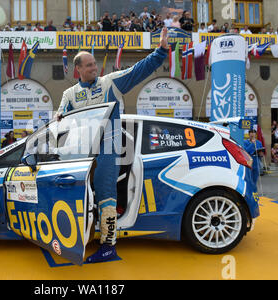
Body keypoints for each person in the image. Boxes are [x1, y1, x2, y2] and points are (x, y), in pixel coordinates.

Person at [54, 27, 169, 263]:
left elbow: (139, 70)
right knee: (83, 195)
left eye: (94, 64)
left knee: (106, 195)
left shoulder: (110, 83)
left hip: (108, 148)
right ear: (78, 69)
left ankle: (108, 246)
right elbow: (60, 121)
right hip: (82, 154)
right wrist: (59, 122)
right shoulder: (69, 94)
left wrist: (161, 51)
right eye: (88, 65)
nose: (94, 68)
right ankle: (85, 235)